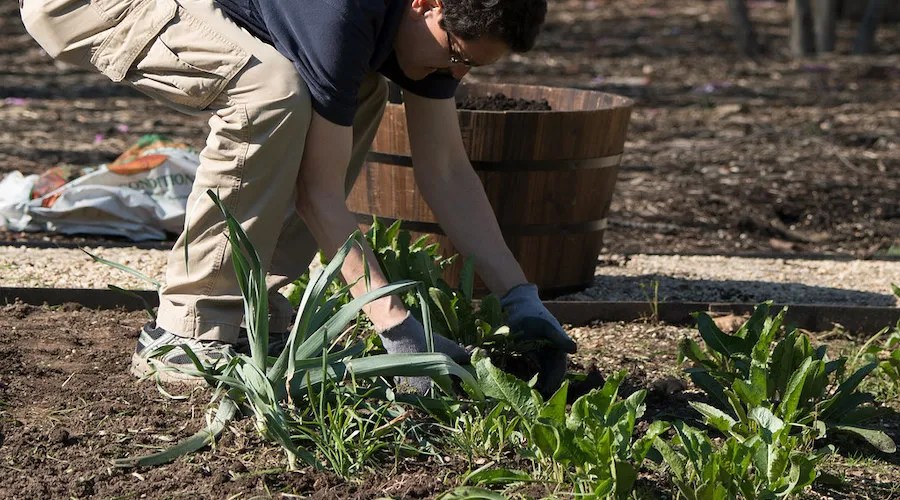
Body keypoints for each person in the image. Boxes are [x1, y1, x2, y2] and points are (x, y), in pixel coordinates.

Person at [20, 0, 577, 395]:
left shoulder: (420, 28)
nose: (455, 73)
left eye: (471, 67)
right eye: (456, 53)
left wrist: (520, 299)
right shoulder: (340, 15)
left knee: (357, 92)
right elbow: (318, 195)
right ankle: (185, 334)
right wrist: (398, 329)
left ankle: (251, 309)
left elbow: (448, 171)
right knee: (269, 91)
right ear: (425, 4)